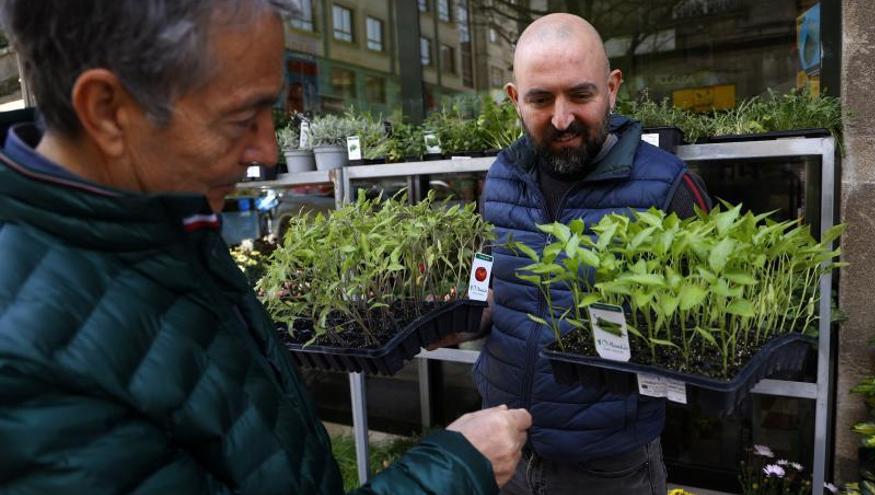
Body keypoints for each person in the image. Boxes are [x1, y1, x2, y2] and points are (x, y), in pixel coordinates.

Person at [0, 1, 531, 494]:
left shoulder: (167, 225)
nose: (267, 150)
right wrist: (457, 468)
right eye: (240, 117)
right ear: (107, 110)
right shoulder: (26, 366)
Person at [473, 13, 712, 495]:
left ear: (612, 88)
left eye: (580, 95)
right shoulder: (501, 177)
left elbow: (705, 327)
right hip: (503, 450)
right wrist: (468, 315)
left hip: (609, 466)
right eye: (541, 99)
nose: (562, 118)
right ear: (516, 99)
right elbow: (491, 283)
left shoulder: (668, 187)